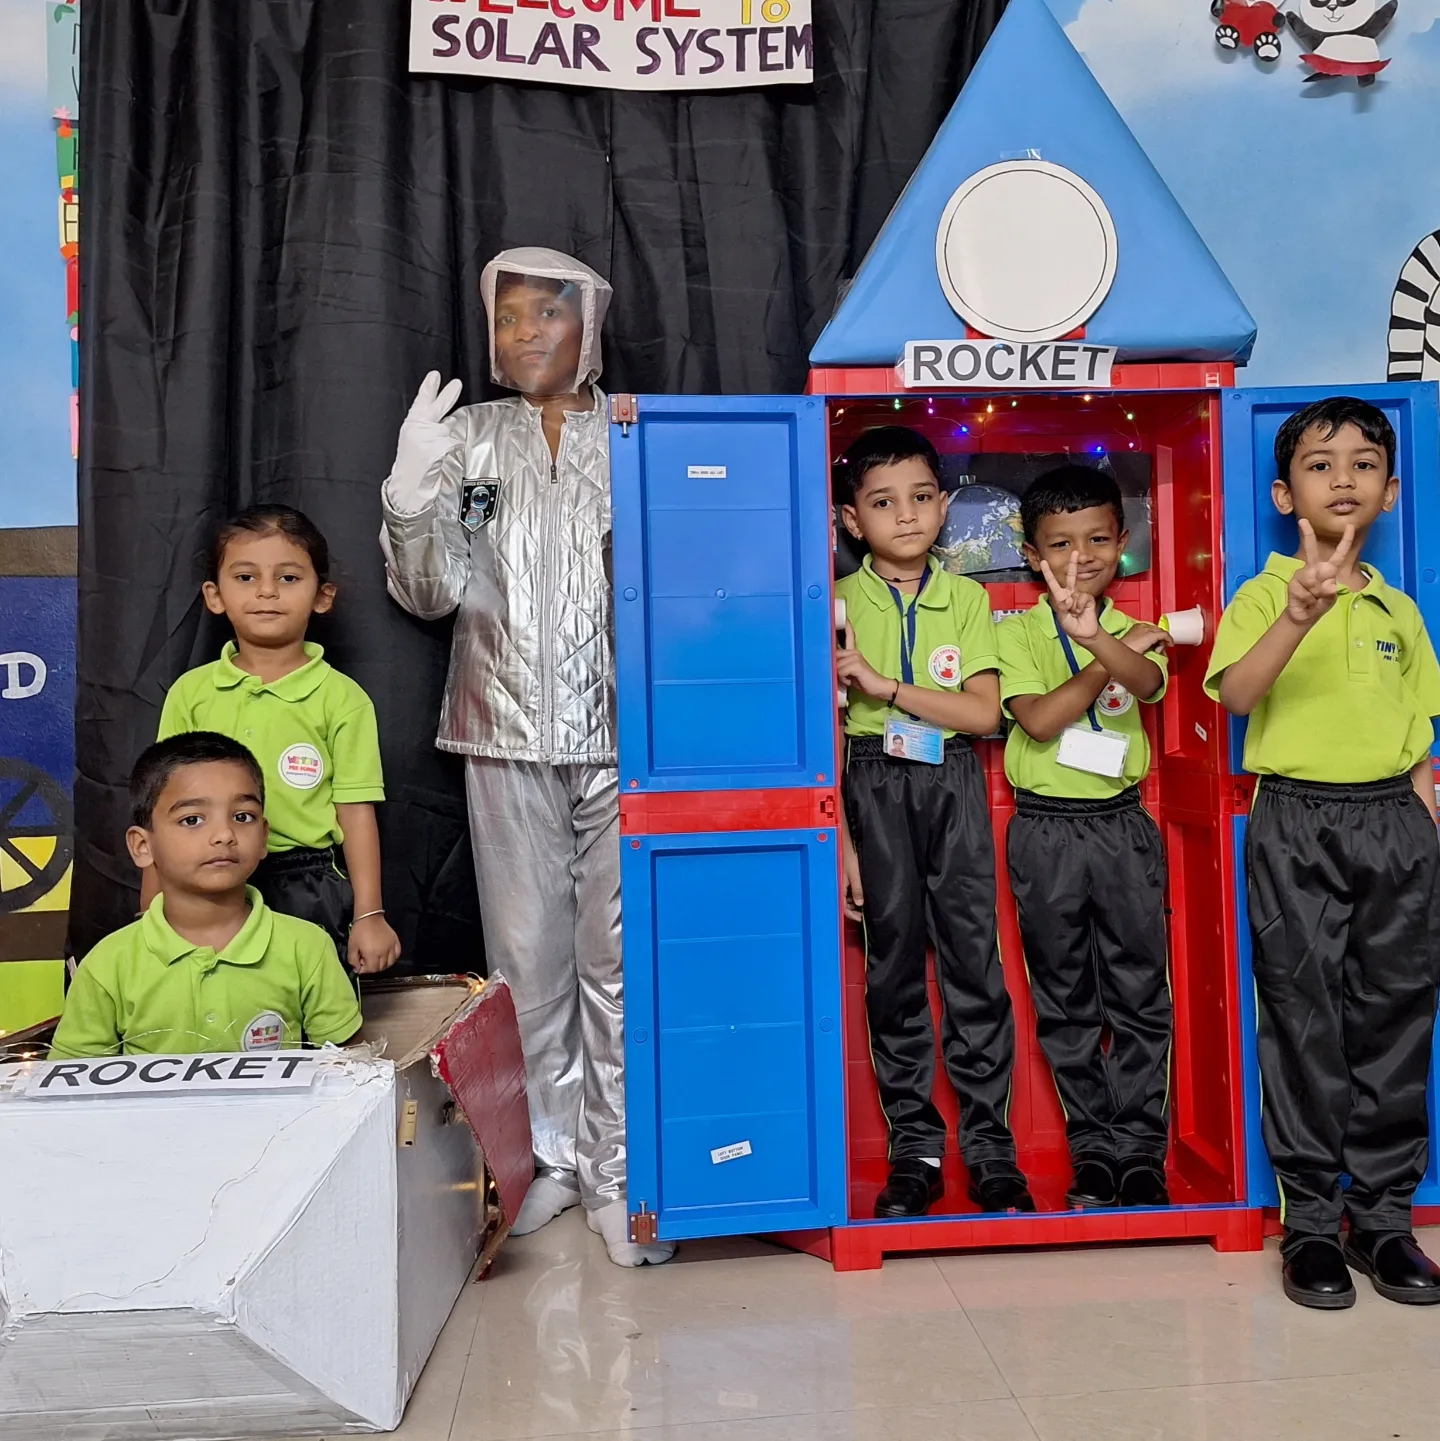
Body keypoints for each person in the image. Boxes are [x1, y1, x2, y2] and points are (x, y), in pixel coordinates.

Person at [379, 248, 672, 1267]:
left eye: (546, 315)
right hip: (498, 729)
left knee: (621, 963)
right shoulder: (469, 436)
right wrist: (413, 493)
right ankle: (546, 1163)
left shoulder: (639, 430)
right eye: (506, 320)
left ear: (589, 323)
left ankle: (623, 1171)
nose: (523, 336)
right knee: (527, 963)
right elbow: (428, 593)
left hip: (626, 738)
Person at [1205, 396, 1440, 1310]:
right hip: (1295, 819)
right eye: (1319, 462)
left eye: (1362, 464)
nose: (1342, 477)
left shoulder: (1401, 609)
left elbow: (1421, 729)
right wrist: (1300, 611)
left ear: (1386, 492)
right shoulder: (1265, 594)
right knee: (1304, 1021)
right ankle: (1310, 1225)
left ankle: (1383, 1221)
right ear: (1281, 490)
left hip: (1393, 821)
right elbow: (1237, 696)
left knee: (1397, 1015)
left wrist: (1420, 807)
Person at [834, 425, 1033, 1219]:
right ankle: (915, 1149)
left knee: (972, 968)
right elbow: (827, 729)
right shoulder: (836, 600)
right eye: (883, 502)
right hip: (869, 785)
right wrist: (844, 839)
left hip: (952, 780)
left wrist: (886, 686)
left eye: (921, 498)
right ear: (853, 520)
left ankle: (992, 1151)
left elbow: (982, 711)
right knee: (892, 971)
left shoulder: (969, 597)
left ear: (945, 506)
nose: (906, 515)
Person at [998, 466, 1174, 1212]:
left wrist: (1099, 635)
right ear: (1033, 554)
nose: (1080, 557)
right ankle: (1093, 1152)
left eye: (1097, 539)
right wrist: (1094, 641)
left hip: (1122, 826)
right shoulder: (1015, 633)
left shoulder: (1136, 632)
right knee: (1066, 998)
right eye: (1060, 543)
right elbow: (1036, 720)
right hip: (1044, 830)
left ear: (1123, 544)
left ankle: (1140, 1153)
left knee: (1139, 992)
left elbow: (1145, 684)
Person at [152, 505, 400, 978]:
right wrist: (155, 896)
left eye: (288, 578)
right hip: (207, 873)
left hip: (306, 883)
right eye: (245, 577)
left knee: (312, 1019)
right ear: (215, 595)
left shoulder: (342, 699)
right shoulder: (191, 694)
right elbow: (162, 805)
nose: (267, 591)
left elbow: (356, 810)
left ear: (322, 596)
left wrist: (369, 914)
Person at [51, 732, 362, 1058]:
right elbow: (69, 1085)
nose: (224, 835)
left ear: (263, 837)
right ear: (143, 846)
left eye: (243, 816)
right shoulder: (107, 965)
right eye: (192, 819)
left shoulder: (307, 948)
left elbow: (353, 1070)